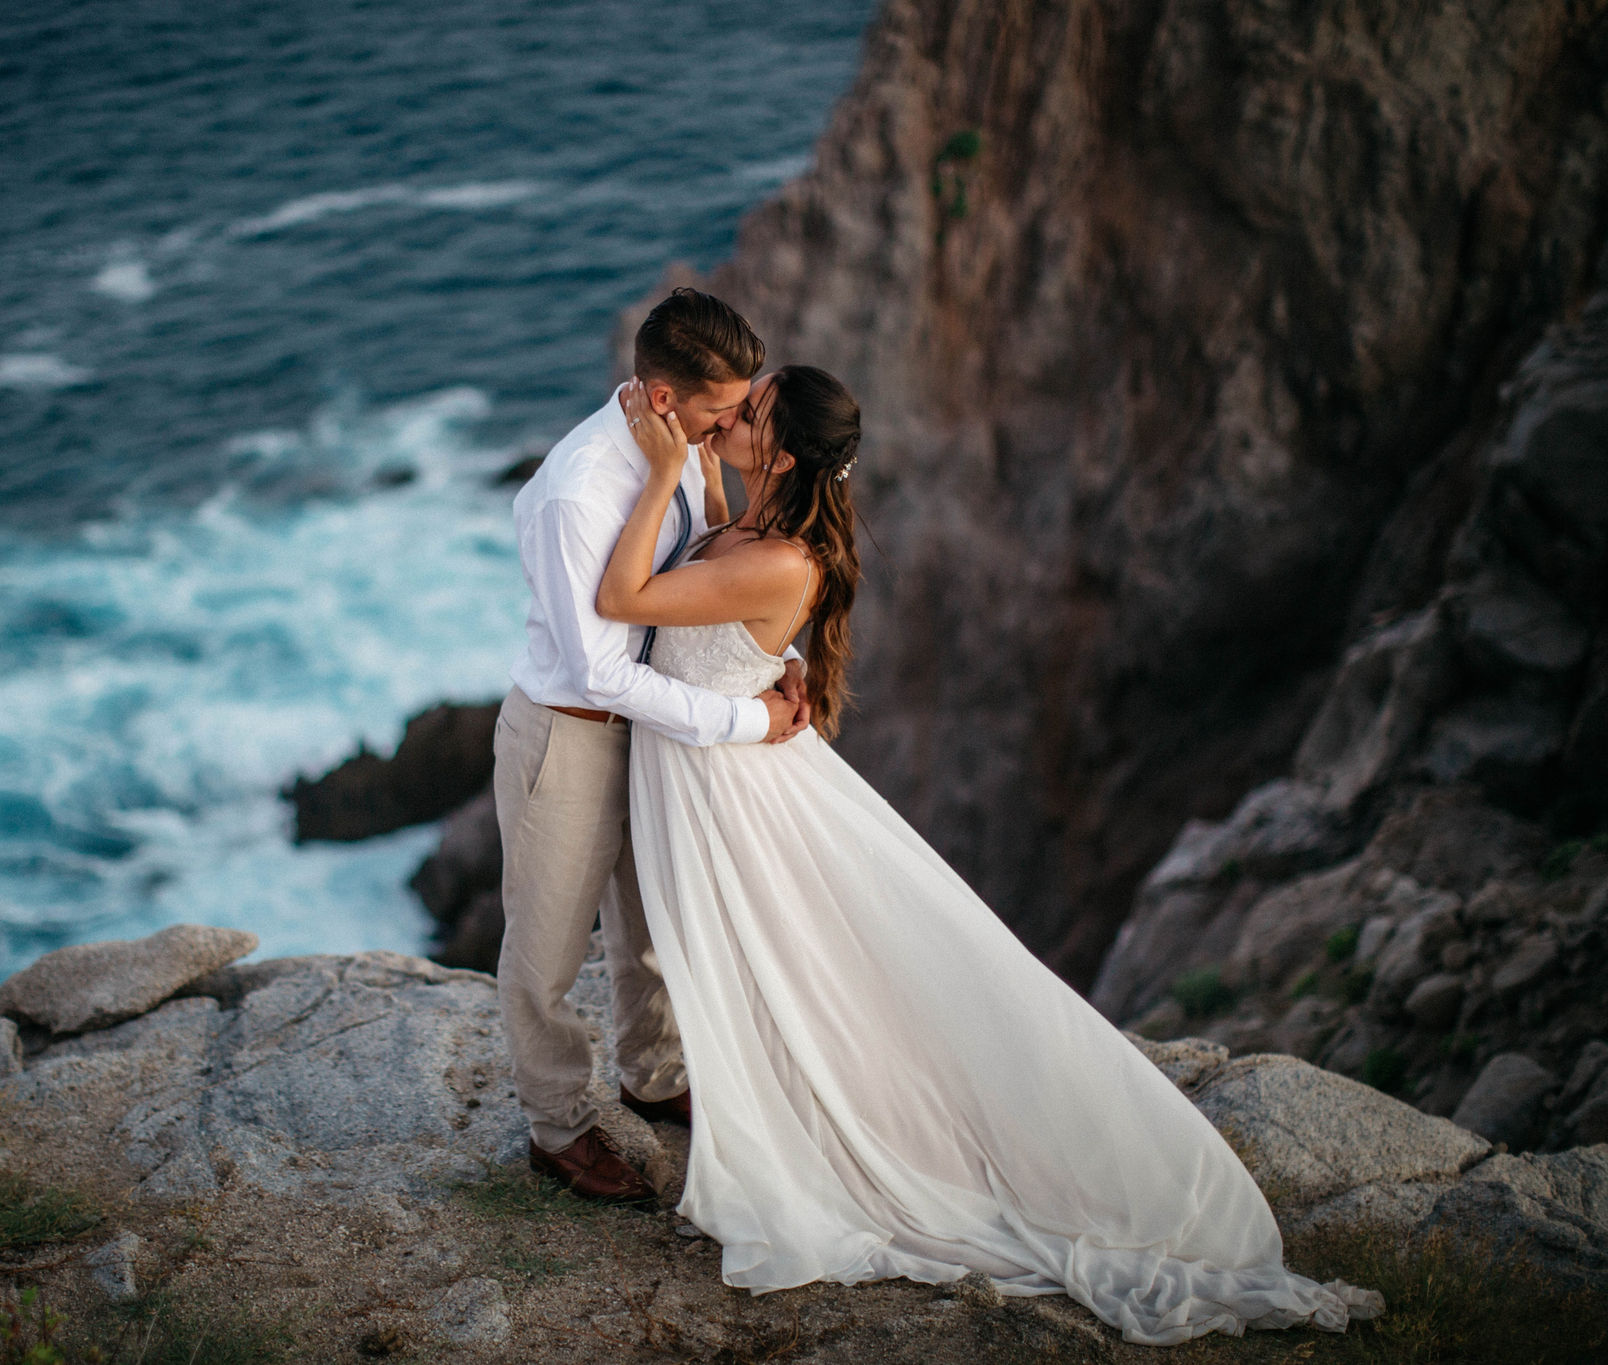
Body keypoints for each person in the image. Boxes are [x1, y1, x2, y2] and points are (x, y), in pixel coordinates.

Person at [595, 366, 1386, 1347]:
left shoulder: (782, 562)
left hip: (728, 794)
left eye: (745, 414)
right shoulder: (757, 530)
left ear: (785, 455)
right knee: (773, 968)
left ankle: (845, 1128)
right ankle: (751, 1093)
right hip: (716, 769)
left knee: (788, 968)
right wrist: (704, 492)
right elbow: (717, 573)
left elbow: (623, 590)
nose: (727, 417)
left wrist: (656, 469)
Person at [493, 289, 810, 1204]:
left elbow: (693, 588)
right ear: (667, 400)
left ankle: (654, 1075)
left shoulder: (674, 455)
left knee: (647, 927)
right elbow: (599, 672)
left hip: (653, 734)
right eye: (724, 410)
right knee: (547, 952)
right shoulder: (579, 491)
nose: (736, 425)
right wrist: (748, 723)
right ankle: (556, 1127)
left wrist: (774, 658)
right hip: (572, 737)